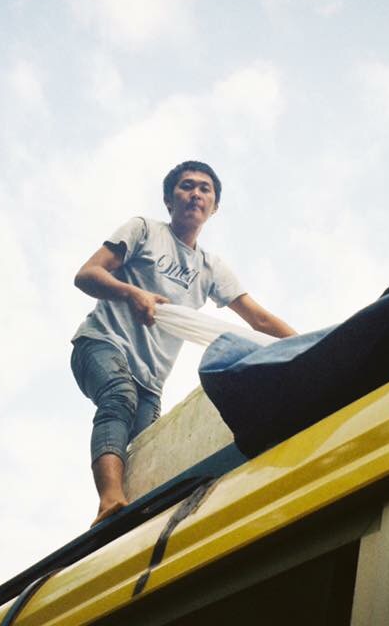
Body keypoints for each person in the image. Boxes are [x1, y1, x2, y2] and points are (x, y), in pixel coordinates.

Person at [71, 160, 296, 524]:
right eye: (186, 186)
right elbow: (87, 274)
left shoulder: (210, 268)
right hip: (101, 343)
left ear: (214, 207)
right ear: (169, 199)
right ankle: (109, 498)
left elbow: (258, 319)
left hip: (151, 379)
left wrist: (308, 345)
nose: (195, 194)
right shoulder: (144, 230)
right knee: (118, 397)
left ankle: (128, 518)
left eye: (205, 189)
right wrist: (132, 293)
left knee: (145, 447)